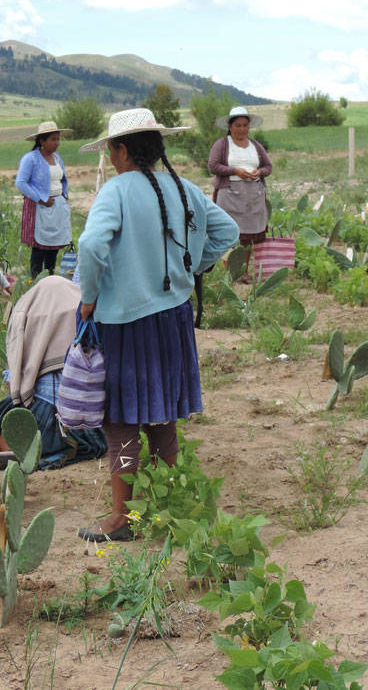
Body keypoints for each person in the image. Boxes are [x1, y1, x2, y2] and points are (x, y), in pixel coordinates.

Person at [75, 108, 238, 542]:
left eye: (111, 150)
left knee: (122, 420)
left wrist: (89, 297)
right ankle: (169, 504)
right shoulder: (182, 188)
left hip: (125, 324)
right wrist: (191, 267)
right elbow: (228, 230)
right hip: (173, 318)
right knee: (163, 415)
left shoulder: (116, 191)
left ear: (122, 149)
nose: (111, 158)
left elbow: (91, 244)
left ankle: (122, 518)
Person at [0, 275, 106, 469]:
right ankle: (43, 452)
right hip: (92, 427)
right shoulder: (88, 318)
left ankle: (14, 448)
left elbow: (16, 386)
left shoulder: (31, 317)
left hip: (43, 423)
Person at [208, 106, 272, 278]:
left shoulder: (256, 146)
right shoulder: (222, 145)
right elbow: (213, 166)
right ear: (230, 126)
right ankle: (231, 270)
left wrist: (259, 172)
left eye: (245, 125)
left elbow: (268, 167)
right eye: (238, 125)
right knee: (230, 231)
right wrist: (235, 171)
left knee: (249, 235)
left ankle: (243, 271)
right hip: (229, 193)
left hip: (254, 194)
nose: (242, 129)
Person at [16, 121, 73, 278]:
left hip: (57, 206)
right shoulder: (31, 159)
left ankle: (51, 280)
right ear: (42, 141)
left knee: (53, 246)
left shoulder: (57, 158)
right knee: (39, 248)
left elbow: (62, 180)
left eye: (58, 139)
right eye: (53, 139)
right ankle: (35, 283)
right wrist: (41, 199)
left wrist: (63, 196)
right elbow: (21, 183)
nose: (57, 143)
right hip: (39, 207)